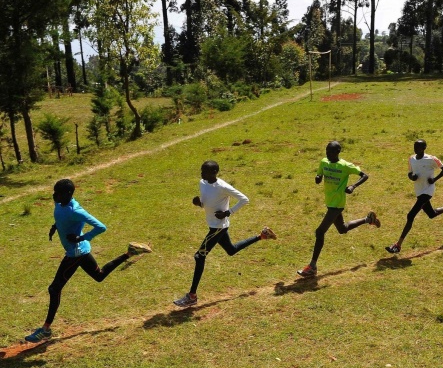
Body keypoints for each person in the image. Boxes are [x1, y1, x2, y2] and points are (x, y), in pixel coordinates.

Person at [24, 179, 152, 343]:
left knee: (54, 289)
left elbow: (101, 227)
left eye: (58, 193)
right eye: (54, 191)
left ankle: (45, 330)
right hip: (80, 250)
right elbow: (62, 217)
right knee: (99, 275)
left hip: (75, 252)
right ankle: (130, 252)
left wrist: (82, 237)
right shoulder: (60, 203)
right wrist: (56, 226)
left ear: (68, 194)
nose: (54, 195)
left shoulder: (76, 210)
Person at [174, 160, 276, 307]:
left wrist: (228, 212)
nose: (201, 173)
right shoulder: (202, 183)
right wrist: (199, 204)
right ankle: (262, 235)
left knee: (199, 256)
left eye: (204, 171)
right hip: (213, 225)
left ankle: (192, 296)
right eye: (201, 170)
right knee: (231, 250)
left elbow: (244, 199)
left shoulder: (223, 186)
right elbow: (206, 202)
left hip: (219, 227)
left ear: (214, 172)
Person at [297, 141, 380, 277]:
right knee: (342, 229)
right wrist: (318, 178)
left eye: (330, 152)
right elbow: (319, 175)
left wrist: (353, 186)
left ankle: (312, 266)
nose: (327, 154)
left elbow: (365, 175)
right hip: (329, 202)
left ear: (337, 152)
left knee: (319, 232)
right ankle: (368, 219)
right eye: (326, 151)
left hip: (337, 204)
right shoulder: (324, 162)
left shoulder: (345, 166)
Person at [385, 139, 443, 254]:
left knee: (410, 215)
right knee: (431, 214)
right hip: (419, 191)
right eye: (414, 146)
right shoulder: (411, 159)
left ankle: (397, 245)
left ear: (424, 147)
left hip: (428, 191)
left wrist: (434, 179)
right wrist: (412, 177)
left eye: (418, 147)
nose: (415, 149)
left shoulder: (431, 159)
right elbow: (410, 172)